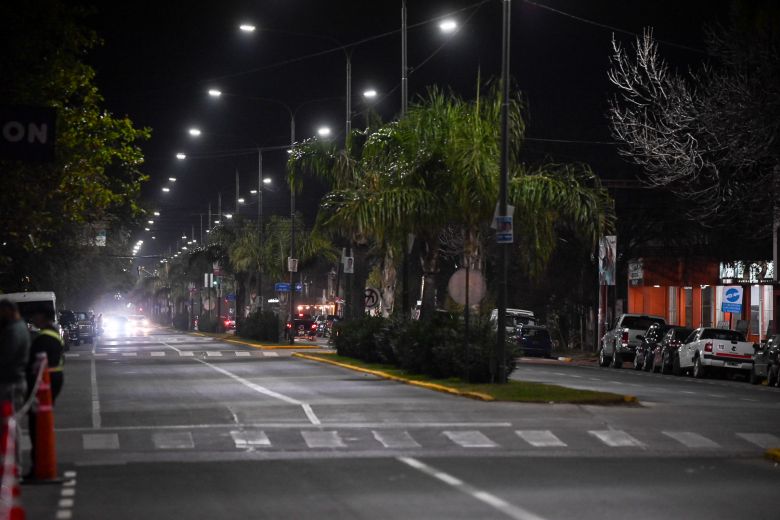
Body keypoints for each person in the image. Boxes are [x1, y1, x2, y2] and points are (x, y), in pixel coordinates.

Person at [25, 307, 64, 479]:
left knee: (37, 425)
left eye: (36, 314)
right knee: (42, 423)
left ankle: (39, 465)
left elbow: (34, 364)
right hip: (52, 381)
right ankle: (42, 463)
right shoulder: (53, 333)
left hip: (42, 385)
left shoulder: (44, 338)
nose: (33, 317)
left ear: (43, 316)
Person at [0, 299, 31, 473]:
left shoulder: (13, 331)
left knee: (9, 425)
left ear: (9, 311)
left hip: (10, 383)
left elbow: (6, 358)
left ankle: (13, 466)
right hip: (14, 381)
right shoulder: (20, 328)